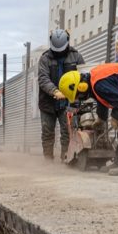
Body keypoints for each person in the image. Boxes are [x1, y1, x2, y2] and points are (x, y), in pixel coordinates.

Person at [38, 29, 84, 161]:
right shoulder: (45, 58)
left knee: (67, 132)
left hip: (68, 101)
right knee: (47, 132)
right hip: (48, 102)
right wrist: (54, 91)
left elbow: (83, 75)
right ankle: (48, 160)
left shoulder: (76, 57)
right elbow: (43, 78)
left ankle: (66, 158)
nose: (58, 52)